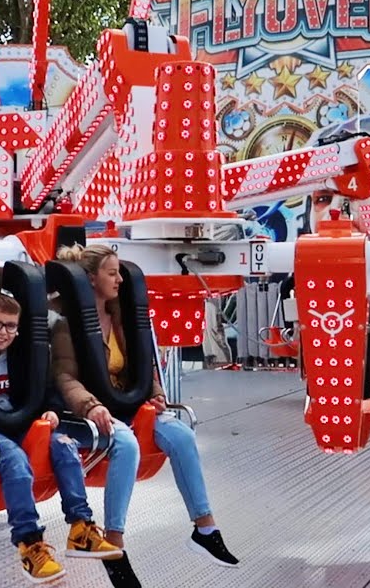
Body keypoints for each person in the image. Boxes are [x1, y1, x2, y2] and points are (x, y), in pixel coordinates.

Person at [48, 243, 240, 587]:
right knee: (126, 443)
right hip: (90, 412)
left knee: (182, 435)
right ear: (91, 279)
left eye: (121, 272)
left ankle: (205, 528)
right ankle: (115, 546)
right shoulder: (66, 326)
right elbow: (65, 377)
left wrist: (156, 393)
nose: (119, 279)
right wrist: (92, 405)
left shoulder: (124, 317)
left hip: (129, 404)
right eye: (111, 273)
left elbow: (142, 364)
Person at [0, 294, 123, 585]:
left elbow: (46, 393)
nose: (3, 333)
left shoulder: (25, 356)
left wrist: (52, 410)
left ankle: (81, 529)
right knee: (13, 459)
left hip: (16, 426)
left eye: (10, 326)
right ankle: (30, 544)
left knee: (64, 445)